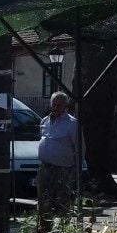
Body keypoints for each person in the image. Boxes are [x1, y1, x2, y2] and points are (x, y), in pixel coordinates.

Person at [37, 91, 78, 220]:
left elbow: (79, 147)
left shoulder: (72, 123)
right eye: (54, 104)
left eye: (59, 105)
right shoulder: (44, 121)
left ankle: (63, 232)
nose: (55, 108)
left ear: (65, 106)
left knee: (62, 201)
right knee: (43, 199)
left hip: (62, 169)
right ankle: (44, 230)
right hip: (45, 168)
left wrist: (76, 168)